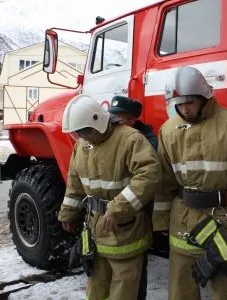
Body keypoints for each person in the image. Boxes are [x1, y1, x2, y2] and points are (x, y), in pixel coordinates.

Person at [152, 66, 227, 299]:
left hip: (223, 219)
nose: (185, 109)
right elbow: (164, 180)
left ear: (204, 96)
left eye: (190, 102)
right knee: (180, 289)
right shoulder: (168, 130)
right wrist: (161, 220)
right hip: (182, 218)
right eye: (179, 103)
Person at [57, 94, 161, 300]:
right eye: (78, 133)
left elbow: (149, 175)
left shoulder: (130, 139)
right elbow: (75, 181)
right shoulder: (83, 144)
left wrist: (119, 208)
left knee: (124, 291)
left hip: (125, 228)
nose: (82, 137)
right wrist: (68, 212)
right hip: (97, 227)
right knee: (97, 289)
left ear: (98, 120)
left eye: (84, 131)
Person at [107, 95, 157, 300]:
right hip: (113, 212)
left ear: (132, 120)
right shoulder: (112, 137)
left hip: (137, 214)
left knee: (135, 267)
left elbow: (147, 178)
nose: (114, 122)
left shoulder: (147, 142)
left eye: (119, 118)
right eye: (112, 117)